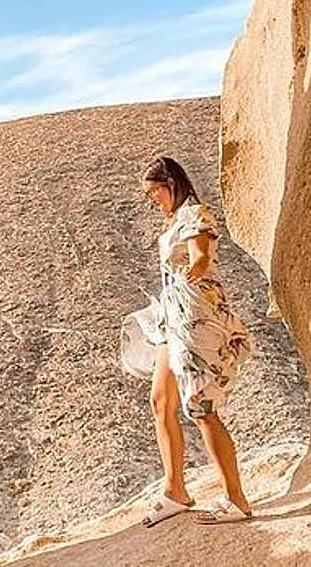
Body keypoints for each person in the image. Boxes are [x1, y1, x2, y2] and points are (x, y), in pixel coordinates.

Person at [119, 156, 254, 526]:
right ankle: (176, 490)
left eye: (154, 193)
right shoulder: (175, 220)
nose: (153, 201)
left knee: (200, 409)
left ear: (171, 184)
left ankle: (237, 500)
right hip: (171, 319)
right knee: (161, 401)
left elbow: (200, 256)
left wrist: (190, 271)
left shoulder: (196, 213)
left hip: (194, 318)